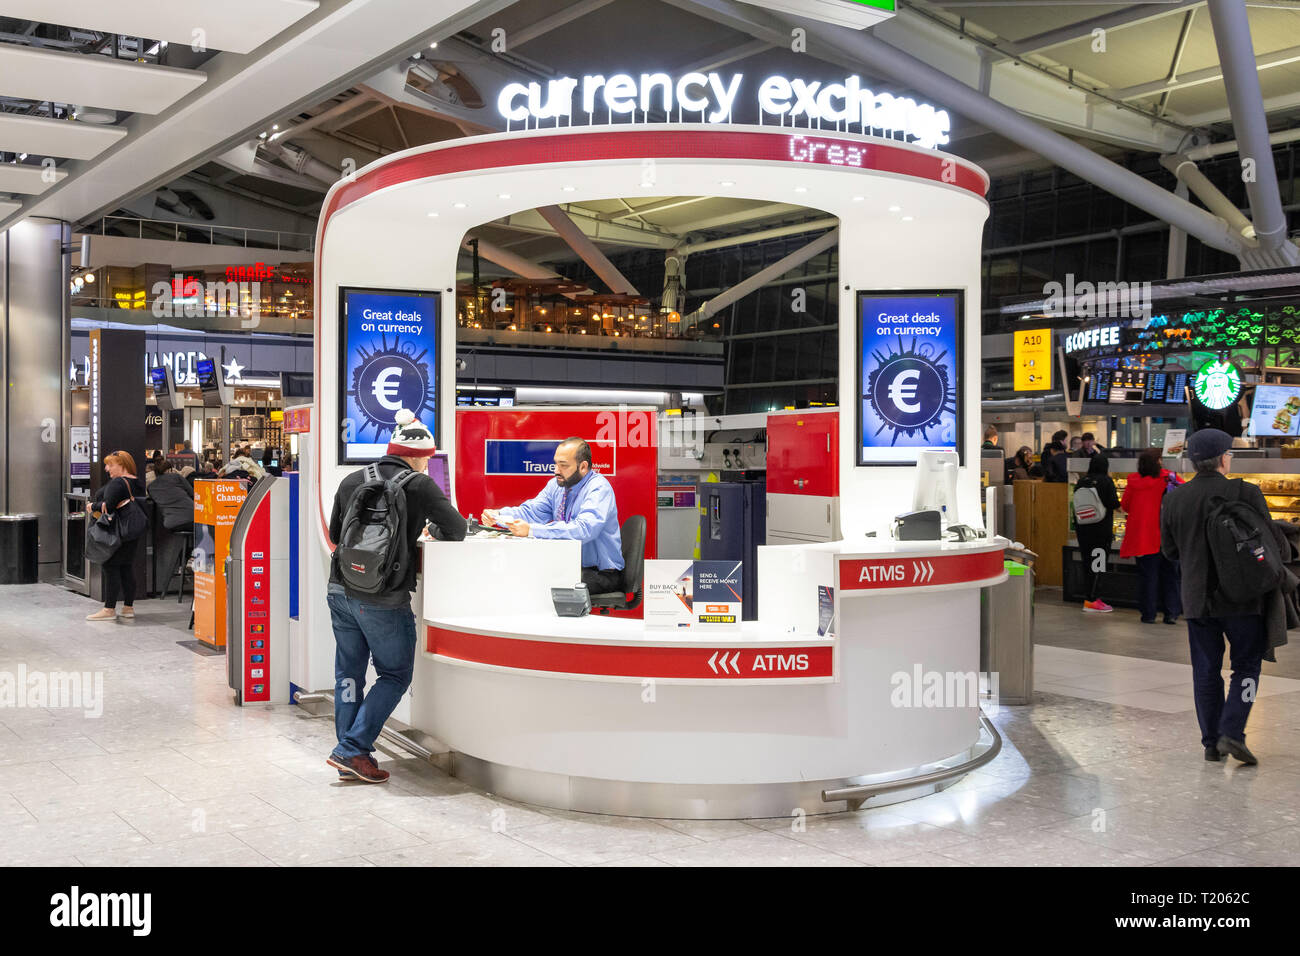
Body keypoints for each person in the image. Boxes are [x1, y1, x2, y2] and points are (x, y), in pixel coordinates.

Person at [326, 409, 465, 783]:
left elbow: (338, 534)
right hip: (383, 599)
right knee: (394, 674)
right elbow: (457, 530)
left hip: (340, 588)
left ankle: (350, 753)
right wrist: (429, 526)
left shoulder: (352, 479)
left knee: (349, 673)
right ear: (421, 455)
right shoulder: (420, 484)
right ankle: (352, 751)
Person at [1161, 428, 1273, 765]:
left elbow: (1169, 550)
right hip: (1242, 598)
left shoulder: (1175, 498)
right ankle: (1233, 732)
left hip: (1196, 599)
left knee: (1205, 671)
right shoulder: (1246, 493)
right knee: (1247, 667)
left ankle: (1211, 743)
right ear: (1225, 458)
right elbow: (1269, 544)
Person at [481, 437, 625, 593]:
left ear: (583, 467)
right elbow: (532, 512)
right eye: (556, 463)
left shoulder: (598, 488)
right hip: (572, 565)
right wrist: (499, 515)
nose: (556, 470)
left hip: (601, 574)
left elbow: (584, 530)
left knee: (539, 581)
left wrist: (532, 530)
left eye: (563, 465)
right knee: (526, 573)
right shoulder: (557, 485)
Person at [1120, 448, 1183, 625]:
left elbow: (1125, 506)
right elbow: (1185, 493)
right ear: (1159, 461)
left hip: (1144, 538)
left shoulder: (1133, 481)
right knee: (1171, 576)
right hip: (1168, 536)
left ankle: (1148, 614)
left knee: (1148, 577)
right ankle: (1171, 614)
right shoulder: (1169, 478)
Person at [85, 451, 147, 622]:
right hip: (131, 531)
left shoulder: (118, 483)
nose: (107, 468)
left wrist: (93, 506)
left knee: (110, 567)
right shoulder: (137, 482)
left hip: (116, 531)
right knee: (126, 567)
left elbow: (109, 506)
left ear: (122, 465)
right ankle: (128, 607)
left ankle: (109, 609)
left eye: (111, 465)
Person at [1075, 454, 1120, 613]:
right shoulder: (1105, 481)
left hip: (1083, 530)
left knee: (1087, 563)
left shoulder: (1082, 481)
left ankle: (1089, 597)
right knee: (1098, 564)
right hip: (1100, 531)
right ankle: (1093, 600)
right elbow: (1113, 503)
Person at [147, 458, 195, 533]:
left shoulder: (150, 487)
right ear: (169, 470)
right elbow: (192, 494)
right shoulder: (176, 477)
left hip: (171, 523)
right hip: (192, 517)